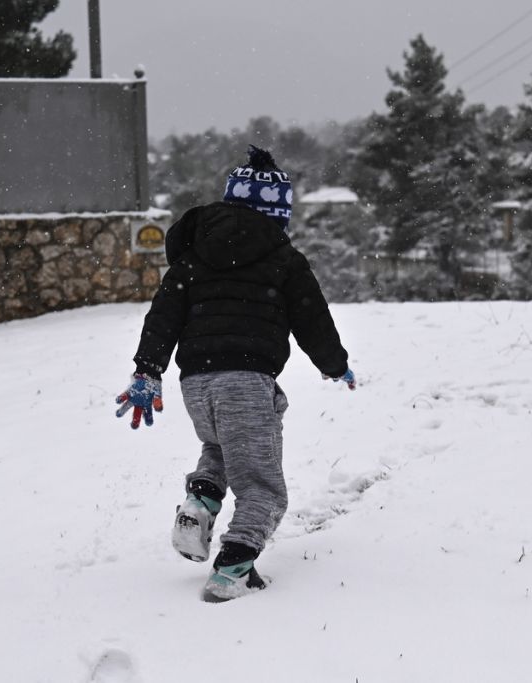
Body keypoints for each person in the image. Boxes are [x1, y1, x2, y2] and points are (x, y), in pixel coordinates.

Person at [114, 145, 356, 602]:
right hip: (245, 382)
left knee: (220, 447)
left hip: (196, 384)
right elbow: (312, 319)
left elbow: (163, 316)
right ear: (278, 212)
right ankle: (234, 569)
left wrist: (147, 370)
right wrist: (334, 364)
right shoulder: (285, 259)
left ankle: (199, 504)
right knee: (263, 486)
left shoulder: (193, 259)